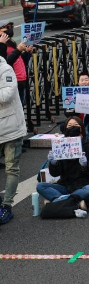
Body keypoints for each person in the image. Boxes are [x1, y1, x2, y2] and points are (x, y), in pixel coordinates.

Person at [37, 117, 89, 208]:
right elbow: (55, 174)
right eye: (70, 126)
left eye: (76, 125)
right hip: (66, 186)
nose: (72, 128)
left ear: (81, 128)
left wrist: (85, 165)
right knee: (41, 186)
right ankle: (73, 201)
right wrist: (54, 163)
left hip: (86, 185)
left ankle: (58, 200)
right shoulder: (61, 145)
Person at [0, 53, 26, 225]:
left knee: (11, 168)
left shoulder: (5, 69)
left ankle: (7, 206)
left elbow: (7, 95)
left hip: (12, 129)